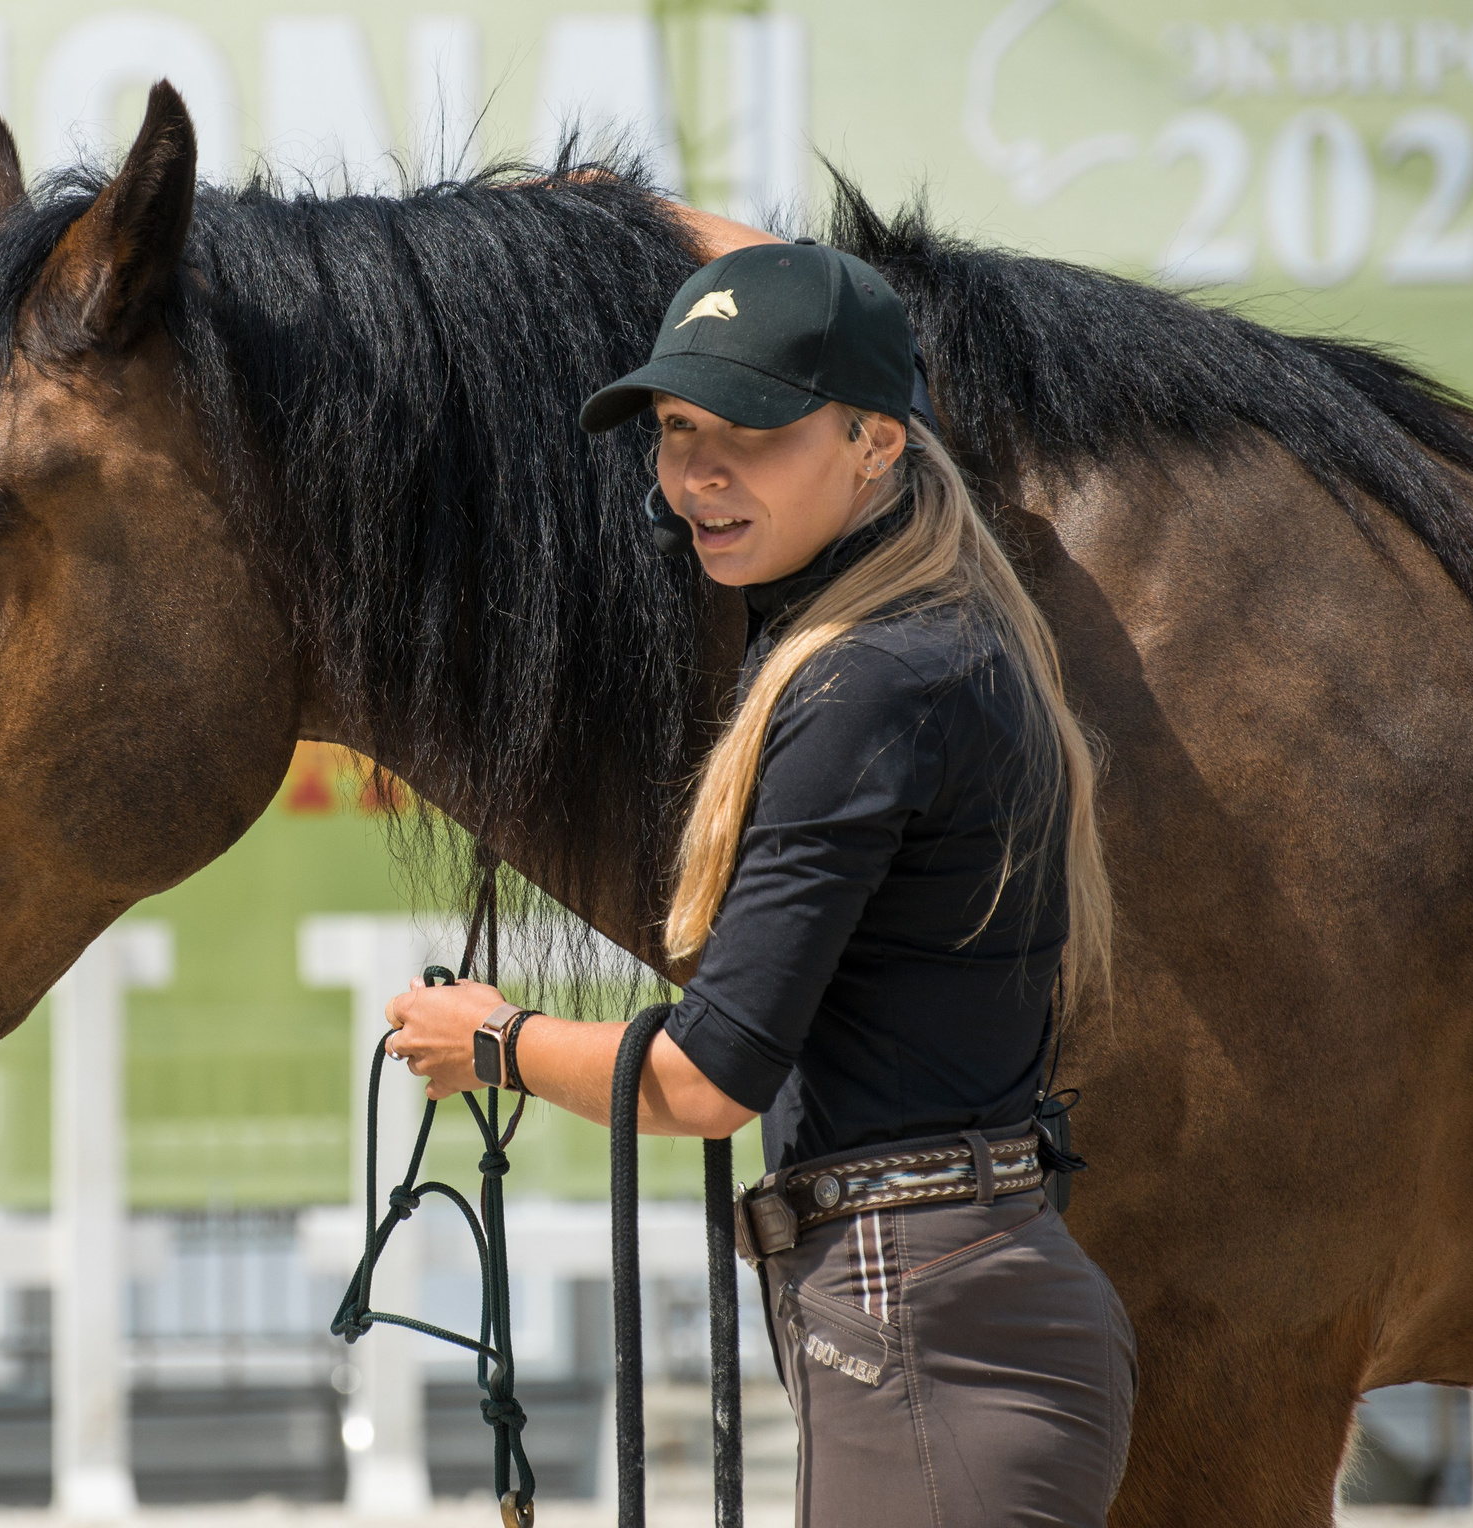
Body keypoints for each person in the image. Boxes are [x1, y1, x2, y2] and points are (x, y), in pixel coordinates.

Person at [382, 236, 1138, 1527]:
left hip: (922, 1337)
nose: (696, 476)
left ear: (877, 443)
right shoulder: (932, 637)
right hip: (946, 1314)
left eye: (753, 431)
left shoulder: (862, 686)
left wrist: (493, 1042)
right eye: (677, 429)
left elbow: (707, 1080)